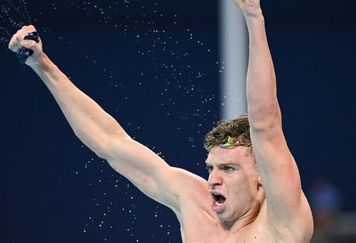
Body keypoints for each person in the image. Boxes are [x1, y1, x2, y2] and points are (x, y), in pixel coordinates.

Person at [8, 0, 313, 242]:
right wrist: (41, 65)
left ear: (262, 173)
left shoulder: (282, 223)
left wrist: (253, 18)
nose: (213, 179)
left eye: (228, 168)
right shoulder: (193, 202)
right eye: (212, 168)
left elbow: (265, 125)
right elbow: (109, 142)